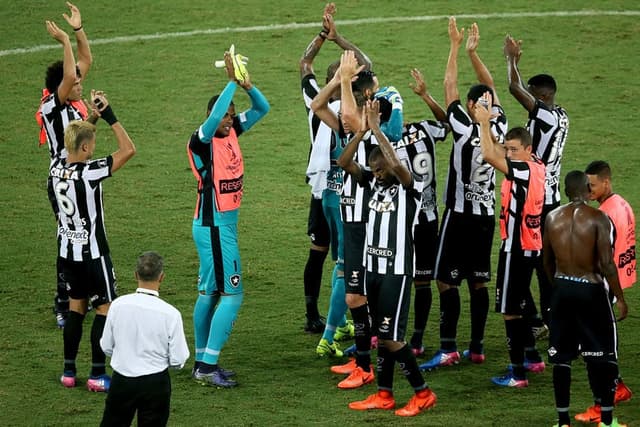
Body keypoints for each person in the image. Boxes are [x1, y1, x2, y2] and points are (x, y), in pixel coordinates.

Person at [339, 99, 436, 417]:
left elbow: (396, 165)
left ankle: (423, 393)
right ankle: (383, 394)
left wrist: (377, 129)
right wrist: (362, 131)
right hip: (373, 270)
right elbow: (344, 162)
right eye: (375, 170)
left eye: (382, 170)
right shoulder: (372, 185)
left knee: (393, 338)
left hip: (396, 273)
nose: (378, 175)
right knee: (382, 337)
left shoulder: (411, 190)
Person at [421, 18, 507, 371]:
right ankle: (478, 347)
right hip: (486, 214)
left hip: (459, 214)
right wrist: (476, 54)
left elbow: (449, 86)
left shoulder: (462, 124)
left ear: (471, 106)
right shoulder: (498, 124)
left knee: (444, 280)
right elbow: (491, 88)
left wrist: (456, 47)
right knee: (478, 281)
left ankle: (447, 347)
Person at [188, 49, 269, 387]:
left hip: (220, 226)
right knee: (232, 295)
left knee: (209, 293)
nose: (227, 119)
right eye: (223, 115)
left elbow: (263, 108)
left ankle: (201, 362)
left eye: (230, 116)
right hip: (214, 226)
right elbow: (216, 114)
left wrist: (247, 86)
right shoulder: (202, 139)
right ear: (211, 117)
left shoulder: (233, 130)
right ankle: (208, 367)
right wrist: (231, 86)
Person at [52, 93, 136, 391]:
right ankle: (97, 375)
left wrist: (91, 120)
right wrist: (110, 115)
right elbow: (128, 150)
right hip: (93, 253)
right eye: (91, 145)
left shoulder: (55, 168)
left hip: (66, 252)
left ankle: (68, 372)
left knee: (76, 308)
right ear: (86, 148)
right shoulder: (89, 172)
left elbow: (76, 143)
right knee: (104, 308)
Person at [299, 2, 372, 334]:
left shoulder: (352, 102)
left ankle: (333, 319)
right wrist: (324, 37)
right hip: (330, 190)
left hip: (346, 189)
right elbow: (305, 63)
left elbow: (365, 65)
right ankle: (315, 314)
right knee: (323, 253)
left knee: (341, 258)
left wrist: (334, 37)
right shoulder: (329, 103)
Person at [543, 170, 628, 427]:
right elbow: (606, 264)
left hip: (561, 291)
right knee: (604, 356)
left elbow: (545, 261)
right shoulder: (598, 218)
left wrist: (558, 287)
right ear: (588, 191)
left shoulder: (551, 217)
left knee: (561, 357)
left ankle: (562, 420)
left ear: (565, 190)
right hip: (590, 292)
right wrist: (620, 298)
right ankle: (607, 420)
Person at [475, 96, 546, 387]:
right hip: (530, 246)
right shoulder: (537, 165)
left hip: (516, 247)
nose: (510, 154)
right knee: (522, 302)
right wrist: (492, 128)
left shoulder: (524, 170)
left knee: (510, 310)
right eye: (509, 149)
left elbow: (490, 157)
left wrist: (481, 122)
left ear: (529, 150)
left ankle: (517, 374)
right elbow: (498, 151)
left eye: (515, 150)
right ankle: (532, 358)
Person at [504, 35, 569, 337]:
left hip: (537, 200)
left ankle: (544, 320)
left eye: (533, 96)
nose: (528, 100)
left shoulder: (545, 117)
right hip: (551, 198)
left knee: (528, 260)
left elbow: (513, 89)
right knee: (545, 264)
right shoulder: (561, 115)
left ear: (541, 97)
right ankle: (550, 320)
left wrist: (510, 61)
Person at [37, 3, 94, 329]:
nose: (80, 83)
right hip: (62, 182)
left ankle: (81, 293)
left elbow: (84, 63)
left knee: (87, 235)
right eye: (75, 82)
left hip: (82, 177)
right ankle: (63, 302)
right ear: (62, 85)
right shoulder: (52, 106)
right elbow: (73, 71)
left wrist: (77, 30)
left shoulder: (72, 102)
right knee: (68, 237)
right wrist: (63, 44)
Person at [574, 161, 635, 423]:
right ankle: (618, 386)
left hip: (603, 286)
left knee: (596, 349)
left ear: (606, 182)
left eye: (593, 185)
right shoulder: (621, 203)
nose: (588, 190)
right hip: (617, 281)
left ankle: (602, 406)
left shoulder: (605, 215)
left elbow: (603, 258)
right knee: (601, 342)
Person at [99, 252, 190, 427]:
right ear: (161, 277)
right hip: (155, 383)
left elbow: (106, 346)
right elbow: (179, 359)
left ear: (135, 275)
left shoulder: (118, 305)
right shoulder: (171, 314)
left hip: (122, 380)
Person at [403, 68, 449, 356]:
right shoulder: (424, 129)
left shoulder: (382, 139)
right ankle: (416, 338)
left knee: (407, 279)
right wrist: (426, 97)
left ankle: (407, 335)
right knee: (420, 281)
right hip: (428, 220)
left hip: (402, 223)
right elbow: (448, 124)